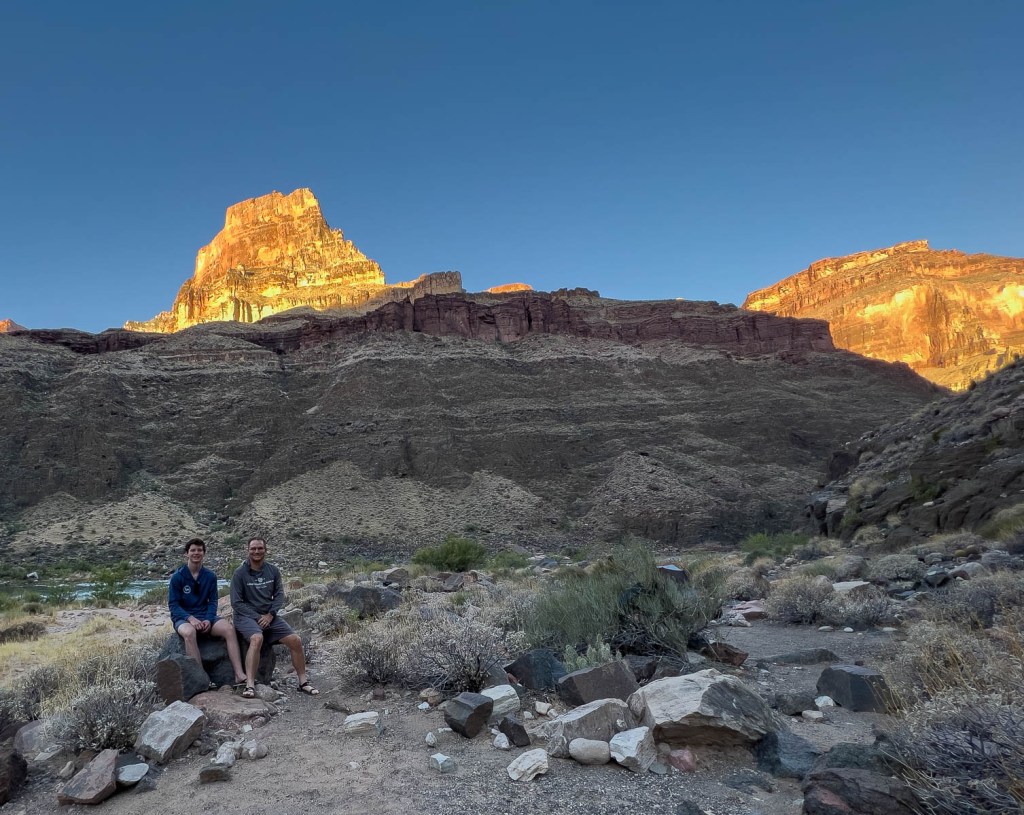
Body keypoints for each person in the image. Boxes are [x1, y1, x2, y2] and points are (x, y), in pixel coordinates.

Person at [231, 536, 318, 698]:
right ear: (247, 550)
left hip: (269, 615)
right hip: (246, 616)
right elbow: (236, 603)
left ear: (265, 550)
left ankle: (303, 682)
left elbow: (279, 595)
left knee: (295, 640)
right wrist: (258, 617)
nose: (256, 551)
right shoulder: (239, 573)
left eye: (260, 548)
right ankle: (249, 685)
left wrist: (270, 614)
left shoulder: (273, 571)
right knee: (257, 638)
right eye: (253, 548)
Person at [168, 537, 247, 687]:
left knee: (229, 629)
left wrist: (208, 620)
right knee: (189, 633)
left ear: (204, 553)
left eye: (199, 550)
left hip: (205, 616)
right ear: (186, 553)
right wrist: (191, 619)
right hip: (183, 618)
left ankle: (239, 674)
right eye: (193, 550)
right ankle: (201, 679)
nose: (196, 553)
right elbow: (174, 605)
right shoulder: (178, 577)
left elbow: (213, 602)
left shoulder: (210, 576)